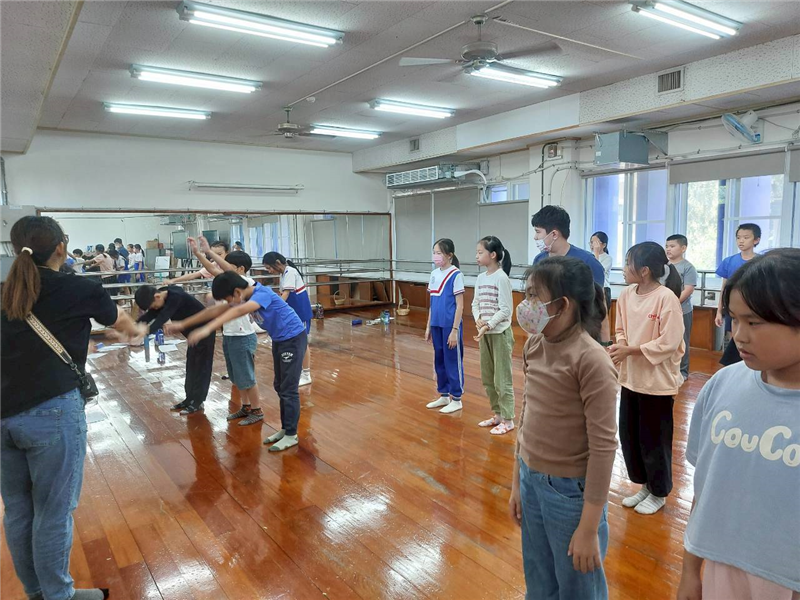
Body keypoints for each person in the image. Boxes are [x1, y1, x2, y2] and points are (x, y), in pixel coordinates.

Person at [0, 216, 144, 600]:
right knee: (52, 512)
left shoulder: (4, 291)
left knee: (17, 512)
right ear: (61, 247)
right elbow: (126, 326)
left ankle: (38, 594)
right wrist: (138, 329)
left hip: (2, 416)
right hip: (52, 412)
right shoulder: (79, 288)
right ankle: (58, 596)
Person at [677, 248, 800, 600]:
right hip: (723, 564)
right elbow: (706, 490)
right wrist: (690, 569)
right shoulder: (722, 384)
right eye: (734, 319)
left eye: (755, 322)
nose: (738, 335)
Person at [509, 256, 618, 600]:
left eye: (533, 296)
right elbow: (526, 414)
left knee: (578, 588)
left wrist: (588, 526)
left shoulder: (591, 359)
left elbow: (603, 448)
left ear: (563, 305)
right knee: (539, 581)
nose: (526, 306)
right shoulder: (535, 344)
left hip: (570, 494)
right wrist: (517, 480)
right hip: (531, 479)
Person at [186, 271, 307, 452]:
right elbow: (220, 309)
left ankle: (291, 434)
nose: (230, 304)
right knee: (280, 386)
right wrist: (185, 324)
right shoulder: (244, 294)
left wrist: (207, 329)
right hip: (281, 340)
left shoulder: (262, 293)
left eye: (229, 299)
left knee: (288, 388)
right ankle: (286, 429)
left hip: (293, 339)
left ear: (236, 292)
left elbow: (239, 310)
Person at [609, 241, 684, 515]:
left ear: (644, 270)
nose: (624, 268)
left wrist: (632, 350)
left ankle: (659, 491)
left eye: (628, 263)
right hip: (630, 380)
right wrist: (621, 344)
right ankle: (645, 485)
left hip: (657, 384)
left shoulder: (666, 298)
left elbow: (670, 342)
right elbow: (619, 328)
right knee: (631, 437)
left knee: (654, 440)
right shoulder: (627, 294)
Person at [167, 245, 263, 426]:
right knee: (237, 377)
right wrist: (198, 252)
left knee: (247, 376)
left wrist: (206, 253)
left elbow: (214, 270)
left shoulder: (245, 283)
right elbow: (211, 269)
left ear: (240, 269)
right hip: (230, 335)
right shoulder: (230, 282)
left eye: (227, 263)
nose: (221, 265)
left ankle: (257, 410)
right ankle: (246, 406)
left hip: (243, 337)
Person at [134, 284, 216, 415]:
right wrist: (132, 328)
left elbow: (162, 317)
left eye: (154, 305)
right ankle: (189, 398)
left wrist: (145, 332)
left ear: (157, 296)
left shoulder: (175, 297)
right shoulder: (162, 297)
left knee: (202, 367)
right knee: (191, 365)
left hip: (204, 331)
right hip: (192, 334)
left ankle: (198, 401)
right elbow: (150, 315)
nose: (155, 309)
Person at [472, 236, 515, 435]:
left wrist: (488, 324)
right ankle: (497, 415)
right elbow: (475, 303)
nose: (477, 256)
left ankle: (508, 419)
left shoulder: (502, 277)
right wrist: (478, 319)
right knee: (488, 377)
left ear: (493, 254)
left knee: (502, 379)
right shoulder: (480, 278)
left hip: (499, 333)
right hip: (485, 333)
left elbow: (506, 310)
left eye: (480, 252)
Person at [425, 238, 465, 414]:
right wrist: (428, 326)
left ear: (449, 255)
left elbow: (460, 305)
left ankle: (456, 398)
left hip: (450, 325)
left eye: (439, 252)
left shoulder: (456, 274)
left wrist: (455, 330)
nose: (435, 256)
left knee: (452, 361)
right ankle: (443, 394)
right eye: (434, 252)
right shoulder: (434, 274)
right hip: (436, 324)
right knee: (439, 359)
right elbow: (432, 304)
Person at [262, 251, 314, 386]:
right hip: (294, 313)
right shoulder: (284, 274)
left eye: (269, 268)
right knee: (299, 343)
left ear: (277, 263)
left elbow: (285, 295)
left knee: (303, 343)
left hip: (300, 312)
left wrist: (273, 310)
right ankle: (300, 372)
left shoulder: (290, 272)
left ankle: (306, 374)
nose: (269, 271)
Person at [715, 223, 761, 367]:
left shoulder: (762, 261)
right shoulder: (729, 261)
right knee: (734, 342)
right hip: (732, 309)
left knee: (752, 341)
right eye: (738, 237)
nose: (741, 241)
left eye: (746, 237)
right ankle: (734, 370)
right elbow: (724, 288)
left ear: (756, 240)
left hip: (754, 308)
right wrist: (719, 312)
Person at [532, 206, 605, 287]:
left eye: (538, 232)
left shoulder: (588, 261)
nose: (535, 237)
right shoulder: (539, 260)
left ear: (554, 234)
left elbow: (598, 297)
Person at [666, 234, 697, 381]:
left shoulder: (688, 267)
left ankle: (683, 372)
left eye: (672, 246)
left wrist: (673, 302)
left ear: (683, 248)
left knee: (682, 340)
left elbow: (689, 289)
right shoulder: (664, 266)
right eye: (667, 246)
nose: (668, 249)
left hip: (682, 310)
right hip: (665, 309)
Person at [590, 231, 612, 312]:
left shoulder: (608, 258)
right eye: (592, 242)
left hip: (604, 289)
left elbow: (597, 270)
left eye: (596, 243)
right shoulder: (589, 256)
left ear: (604, 245)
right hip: (591, 288)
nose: (593, 245)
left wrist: (596, 253)